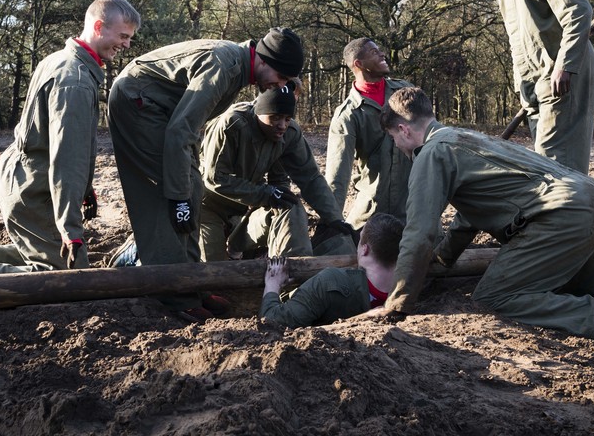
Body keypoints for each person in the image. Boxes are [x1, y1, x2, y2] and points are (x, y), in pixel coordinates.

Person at [369, 87, 594, 344]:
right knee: (573, 287)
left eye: (393, 139)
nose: (397, 147)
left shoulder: (431, 153)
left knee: (493, 297)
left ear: (403, 129)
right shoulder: (466, 137)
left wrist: (398, 302)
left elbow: (419, 232)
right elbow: (468, 216)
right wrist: (444, 259)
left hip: (562, 214)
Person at [0, 0, 140, 278]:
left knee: (54, 255)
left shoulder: (59, 60)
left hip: (22, 179)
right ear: (99, 27)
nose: (127, 44)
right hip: (33, 191)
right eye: (123, 36)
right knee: (67, 277)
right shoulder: (75, 83)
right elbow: (67, 159)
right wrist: (70, 228)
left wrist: (85, 190)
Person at [107, 27, 304, 317]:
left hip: (161, 112)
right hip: (138, 103)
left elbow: (189, 128)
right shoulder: (224, 67)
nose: (281, 85)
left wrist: (186, 191)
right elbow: (180, 131)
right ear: (263, 60)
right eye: (281, 77)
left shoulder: (239, 70)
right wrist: (178, 198)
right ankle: (175, 296)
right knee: (165, 197)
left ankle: (193, 285)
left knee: (192, 189)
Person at [468, 0, 594, 174]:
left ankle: (569, 201)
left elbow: (578, 11)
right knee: (543, 158)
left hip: (563, 75)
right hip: (536, 82)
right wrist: (523, 85)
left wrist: (565, 65)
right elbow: (518, 38)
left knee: (556, 159)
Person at [199, 83, 355, 262]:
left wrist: (334, 218)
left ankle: (290, 272)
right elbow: (214, 179)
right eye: (275, 118)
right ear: (259, 112)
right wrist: (267, 194)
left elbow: (310, 178)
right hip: (210, 206)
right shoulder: (232, 124)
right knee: (216, 271)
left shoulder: (289, 133)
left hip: (246, 206)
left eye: (287, 119)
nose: (282, 125)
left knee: (290, 205)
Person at [326, 38, 413, 230]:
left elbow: (431, 139)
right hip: (372, 210)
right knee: (353, 241)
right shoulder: (347, 115)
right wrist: (331, 225)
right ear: (359, 64)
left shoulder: (406, 93)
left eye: (380, 50)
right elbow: (337, 176)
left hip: (413, 207)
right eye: (374, 52)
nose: (382, 54)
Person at [260, 213, 404, 327]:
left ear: (365, 249)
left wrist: (273, 285)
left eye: (360, 241)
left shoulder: (330, 281)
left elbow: (271, 321)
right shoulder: (407, 290)